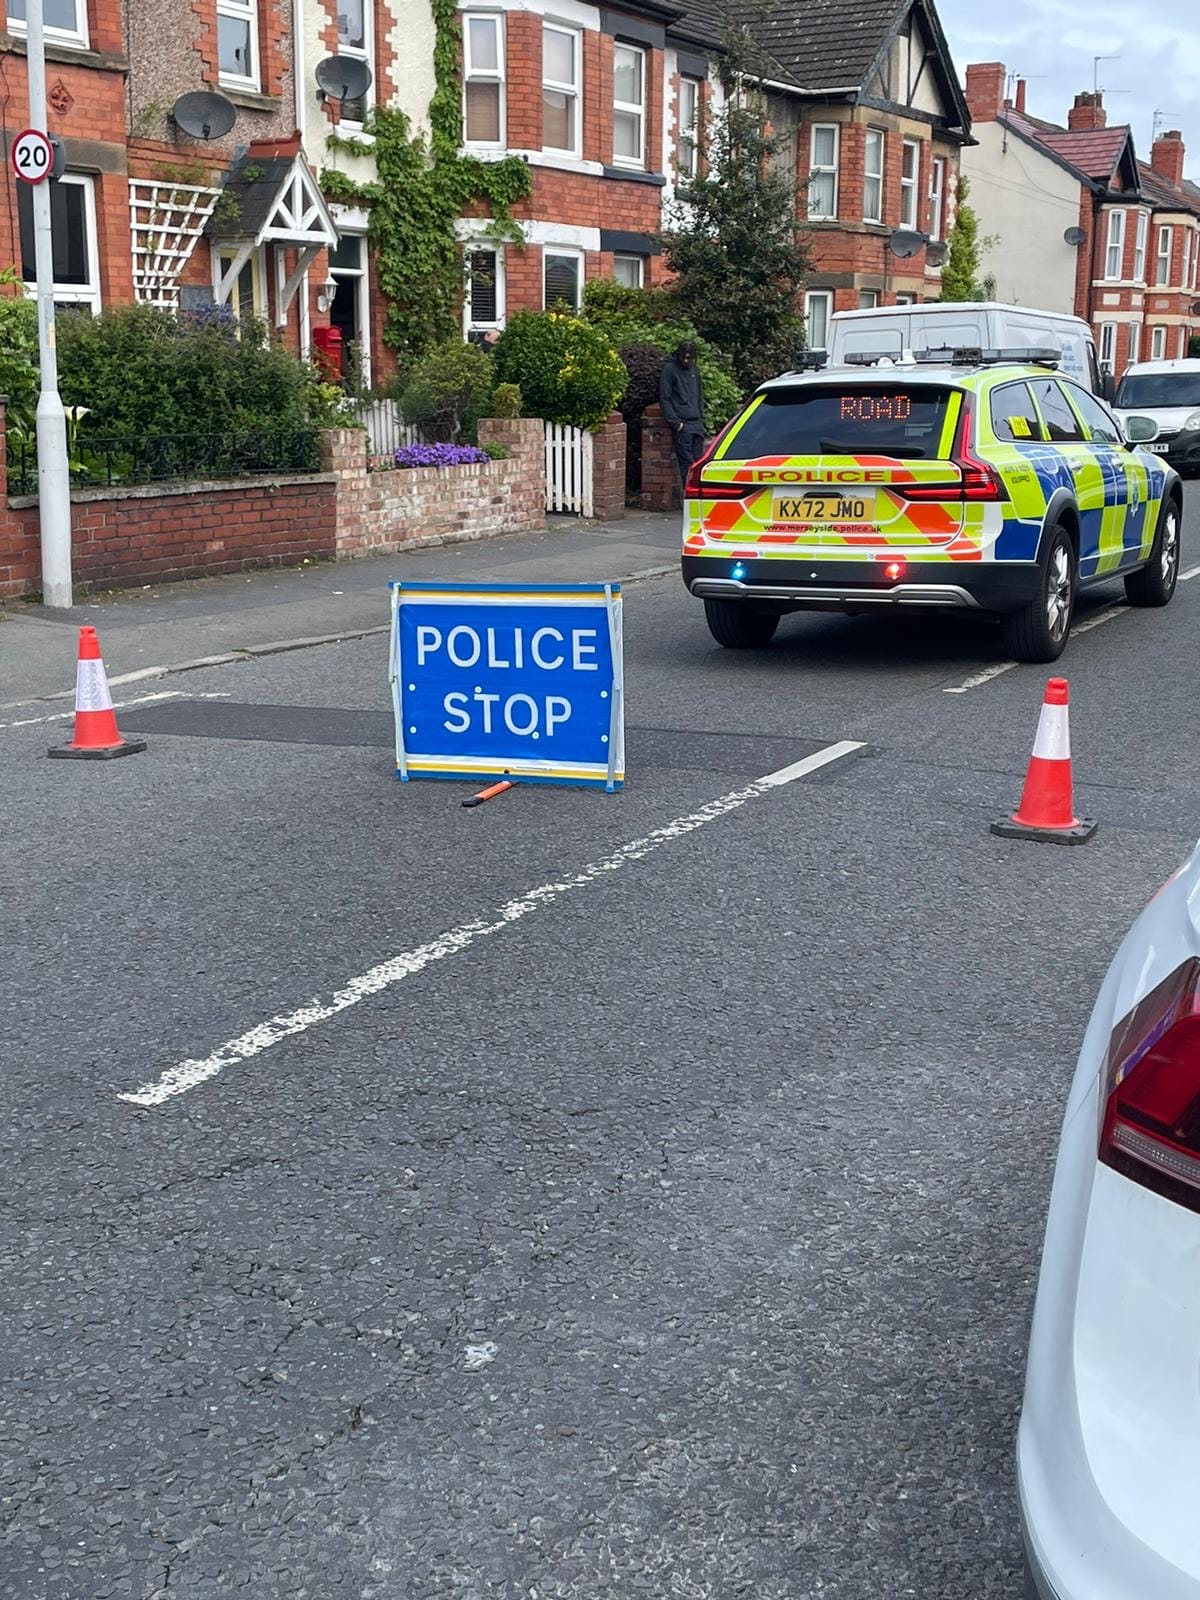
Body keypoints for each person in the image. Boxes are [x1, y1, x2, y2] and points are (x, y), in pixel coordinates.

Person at [659, 341, 706, 483]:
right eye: (683, 357)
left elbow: (699, 395)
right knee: (687, 463)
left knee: (699, 462)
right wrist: (676, 423)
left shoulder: (694, 369)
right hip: (683, 423)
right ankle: (689, 496)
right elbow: (664, 397)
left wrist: (701, 419)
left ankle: (697, 495)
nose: (686, 361)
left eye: (689, 358)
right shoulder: (670, 369)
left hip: (696, 422)